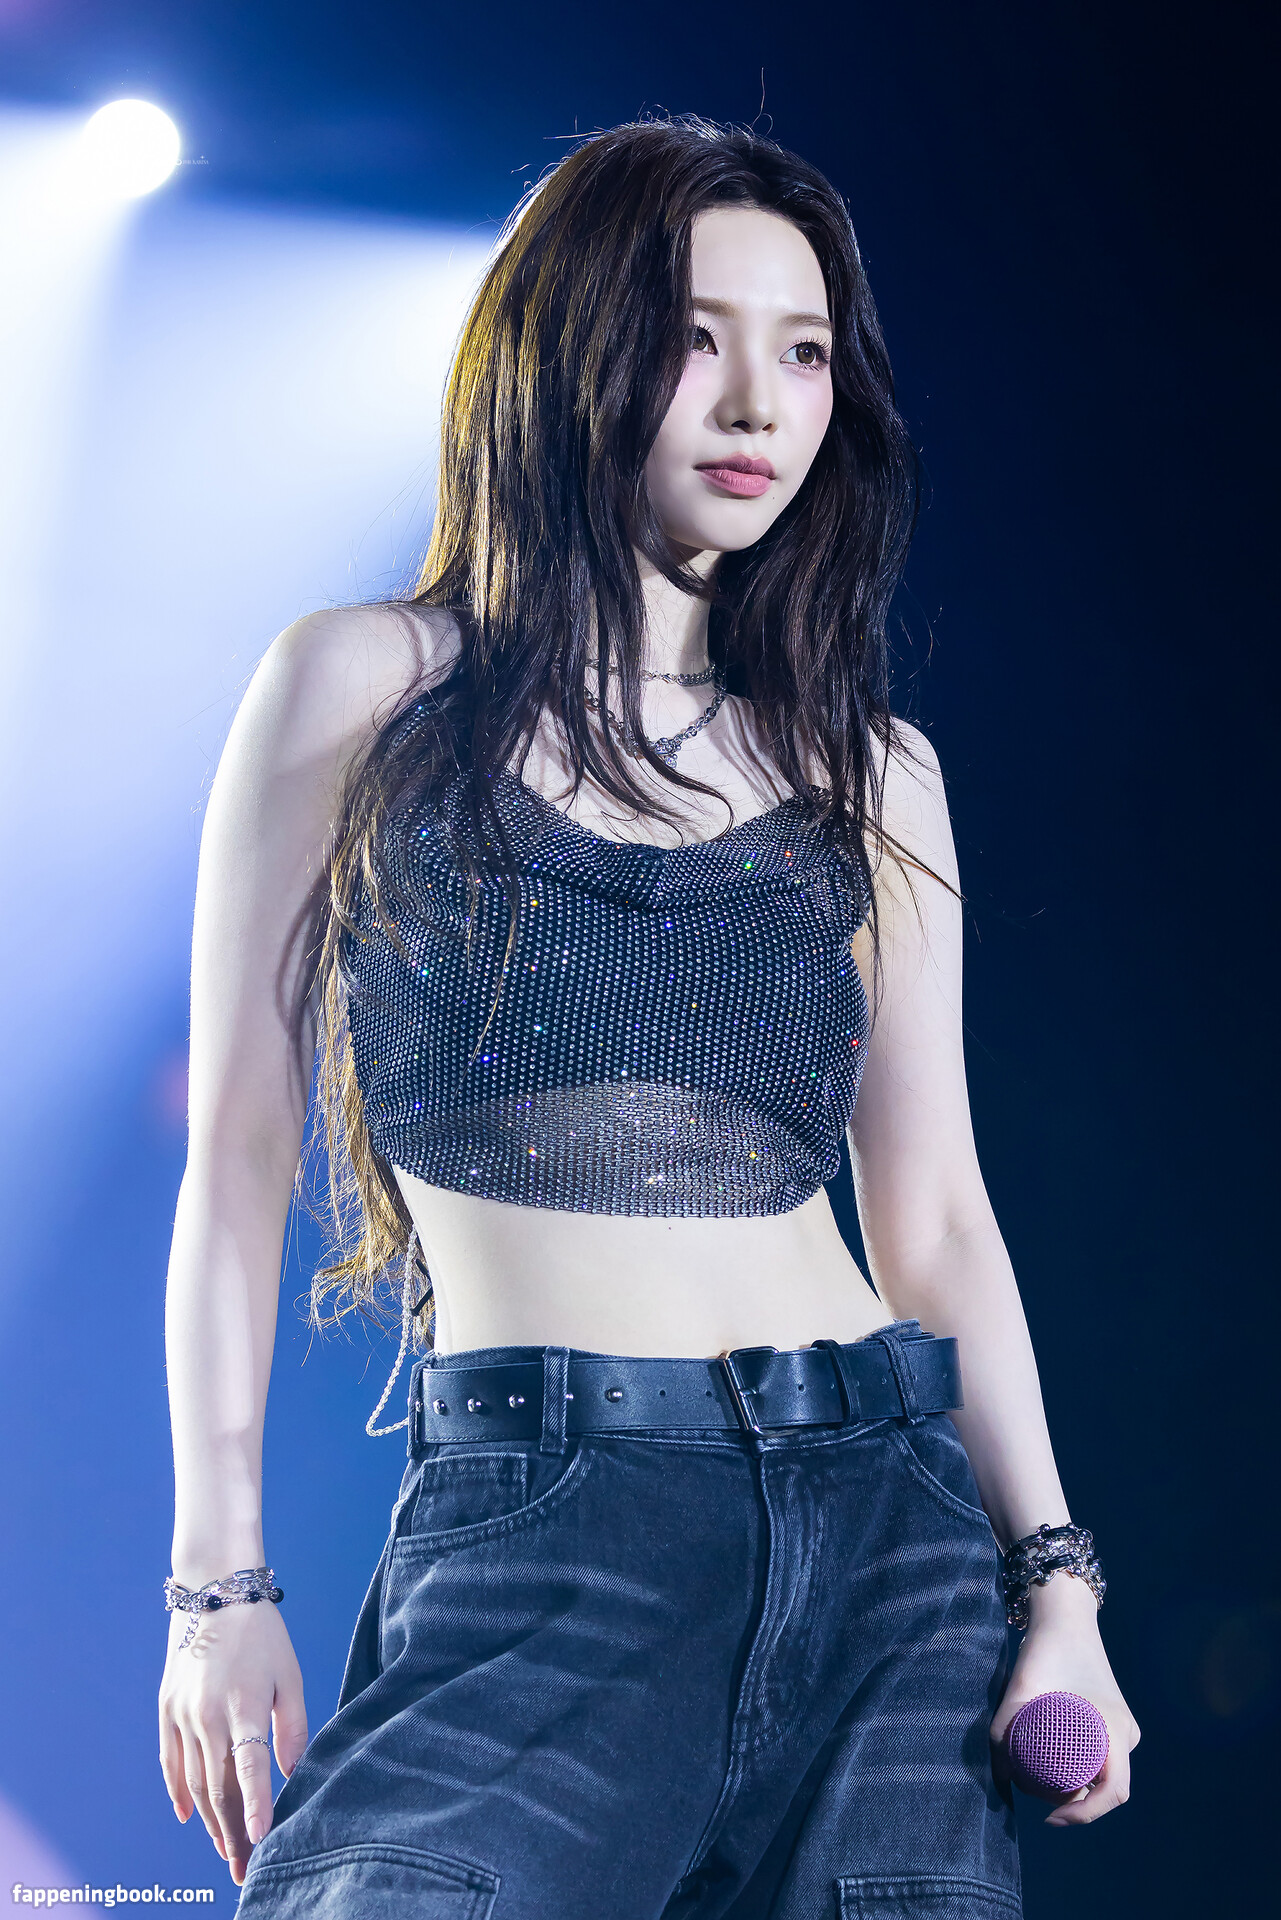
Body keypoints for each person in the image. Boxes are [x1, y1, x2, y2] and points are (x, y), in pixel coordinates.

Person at [157, 116, 1138, 1918]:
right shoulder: (360, 687)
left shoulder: (871, 772)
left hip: (889, 1549)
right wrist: (218, 1586)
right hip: (551, 1523)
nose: (758, 401)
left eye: (805, 350)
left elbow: (933, 1220)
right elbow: (236, 1157)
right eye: (695, 337)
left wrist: (1055, 1592)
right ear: (566, 349)